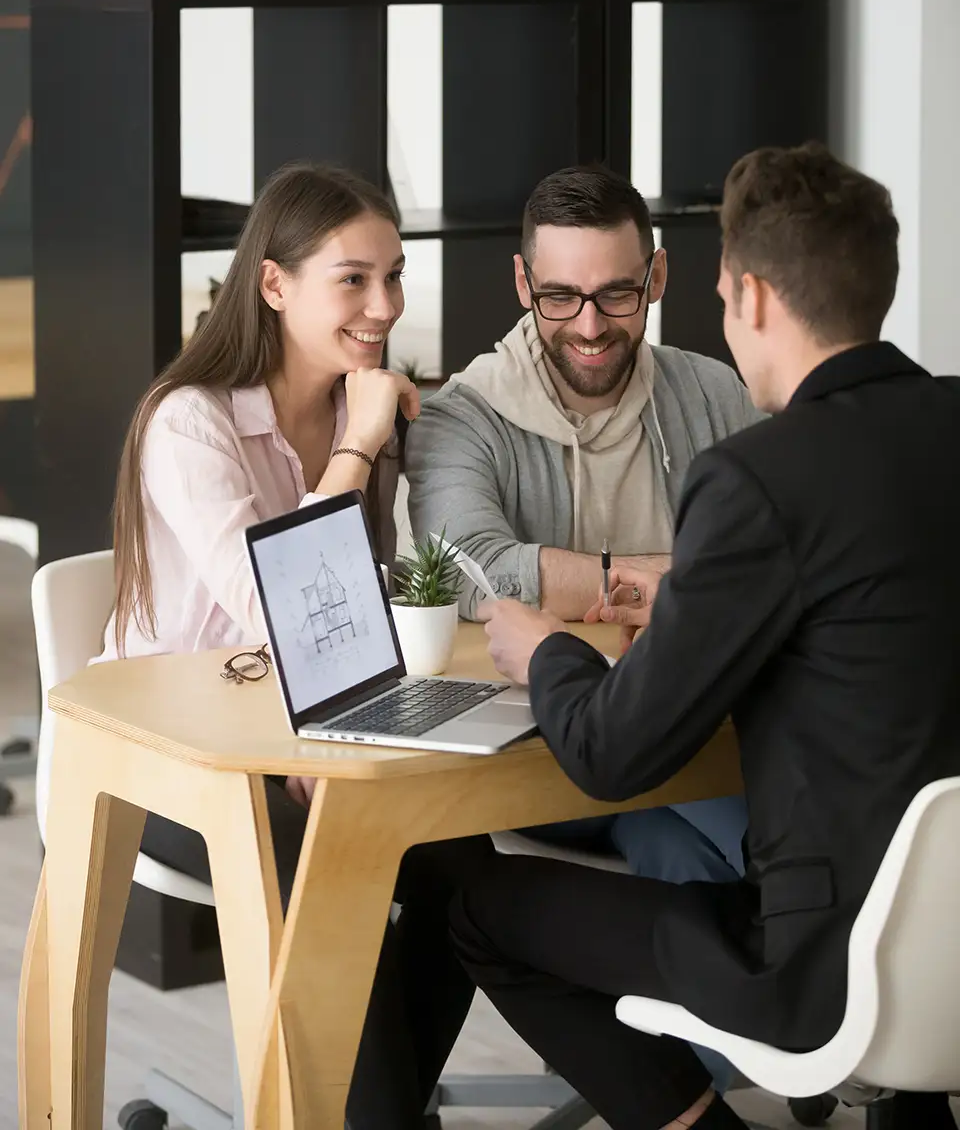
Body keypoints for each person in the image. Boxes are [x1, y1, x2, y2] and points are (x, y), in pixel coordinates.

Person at [452, 143, 960, 1130]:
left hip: (817, 959)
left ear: (754, 296)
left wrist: (542, 645)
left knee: (478, 910)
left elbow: (611, 750)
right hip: (948, 943)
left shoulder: (761, 477)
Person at [102, 162, 494, 1130]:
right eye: (353, 278)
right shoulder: (189, 421)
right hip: (171, 754)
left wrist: (340, 738)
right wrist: (358, 448)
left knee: (474, 872)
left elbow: (371, 611)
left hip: (307, 734)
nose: (384, 304)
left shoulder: (362, 406)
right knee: (335, 875)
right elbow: (283, 606)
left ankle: (370, 1110)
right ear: (274, 284)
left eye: (394, 276)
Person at [405, 164, 752, 946]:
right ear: (524, 283)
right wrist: (668, 579)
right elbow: (472, 566)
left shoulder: (714, 394)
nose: (590, 326)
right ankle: (830, 976)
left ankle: (716, 1062)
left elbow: (776, 556)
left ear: (656, 276)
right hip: (544, 751)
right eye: (561, 296)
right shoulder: (462, 415)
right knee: (755, 835)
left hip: (693, 733)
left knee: (675, 846)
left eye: (617, 294)